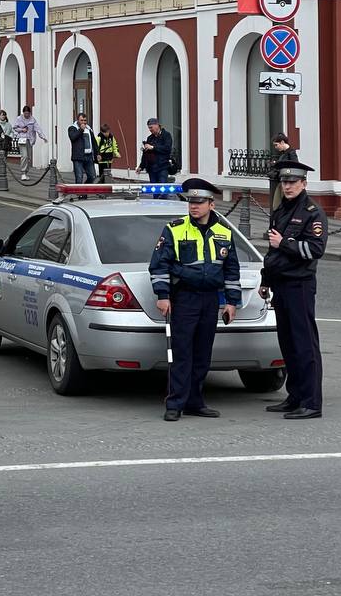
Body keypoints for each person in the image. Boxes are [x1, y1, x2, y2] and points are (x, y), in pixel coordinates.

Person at [148, 177, 241, 422]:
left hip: (210, 299)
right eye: (191, 202)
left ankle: (195, 402)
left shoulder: (224, 231)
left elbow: (231, 270)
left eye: (199, 202)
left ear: (212, 204)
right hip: (185, 298)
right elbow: (159, 265)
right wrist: (163, 296)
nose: (194, 206)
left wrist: (232, 302)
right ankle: (175, 403)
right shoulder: (175, 229)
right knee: (182, 353)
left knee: (202, 354)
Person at [260, 160, 327, 419]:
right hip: (281, 283)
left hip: (299, 283)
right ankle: (295, 396)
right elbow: (271, 251)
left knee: (305, 344)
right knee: (287, 344)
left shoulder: (312, 213)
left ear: (303, 184)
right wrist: (266, 280)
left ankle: (311, 402)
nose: (287, 186)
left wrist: (285, 242)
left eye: (292, 182)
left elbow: (314, 250)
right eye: (284, 182)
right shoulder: (280, 210)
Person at [140, 117, 175, 186]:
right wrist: (141, 166)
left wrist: (153, 147)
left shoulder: (166, 135)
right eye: (149, 128)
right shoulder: (150, 138)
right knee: (154, 190)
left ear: (157, 125)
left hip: (163, 167)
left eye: (151, 127)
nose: (150, 130)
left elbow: (167, 148)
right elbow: (146, 154)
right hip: (151, 169)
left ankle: (163, 197)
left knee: (162, 189)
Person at [11, 106, 43, 180]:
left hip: (30, 140)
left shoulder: (32, 119)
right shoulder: (19, 119)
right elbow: (15, 128)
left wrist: (42, 136)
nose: (27, 115)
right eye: (25, 113)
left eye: (28, 113)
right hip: (22, 139)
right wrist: (22, 130)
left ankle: (26, 172)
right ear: (23, 113)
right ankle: (23, 172)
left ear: (30, 113)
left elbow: (37, 128)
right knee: (24, 156)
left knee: (29, 158)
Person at [269, 133, 298, 212]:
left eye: (276, 145)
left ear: (282, 142)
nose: (275, 147)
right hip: (281, 182)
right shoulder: (283, 154)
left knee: (279, 205)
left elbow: (294, 167)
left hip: (286, 183)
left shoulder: (291, 153)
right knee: (277, 205)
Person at [68, 113, 98, 184]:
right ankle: (80, 194)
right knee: (79, 177)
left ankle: (84, 188)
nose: (83, 122)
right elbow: (73, 137)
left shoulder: (89, 129)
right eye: (81, 120)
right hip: (78, 157)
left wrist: (97, 154)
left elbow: (94, 142)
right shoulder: (72, 128)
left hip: (89, 156)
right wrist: (81, 130)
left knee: (92, 176)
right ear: (77, 120)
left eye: (85, 120)